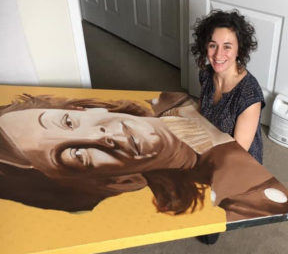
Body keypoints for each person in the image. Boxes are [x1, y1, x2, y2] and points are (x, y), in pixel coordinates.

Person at [0, 92, 287, 223]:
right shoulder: (244, 194)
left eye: (67, 123)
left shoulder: (169, 99)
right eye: (77, 155)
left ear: (84, 108)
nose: (102, 136)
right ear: (117, 182)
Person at [191, 9, 265, 164]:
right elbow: (200, 116)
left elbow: (237, 155)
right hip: (209, 146)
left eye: (227, 46)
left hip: (238, 163)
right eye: (213, 45)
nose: (218, 55)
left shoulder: (249, 94)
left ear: (239, 49)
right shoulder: (206, 74)